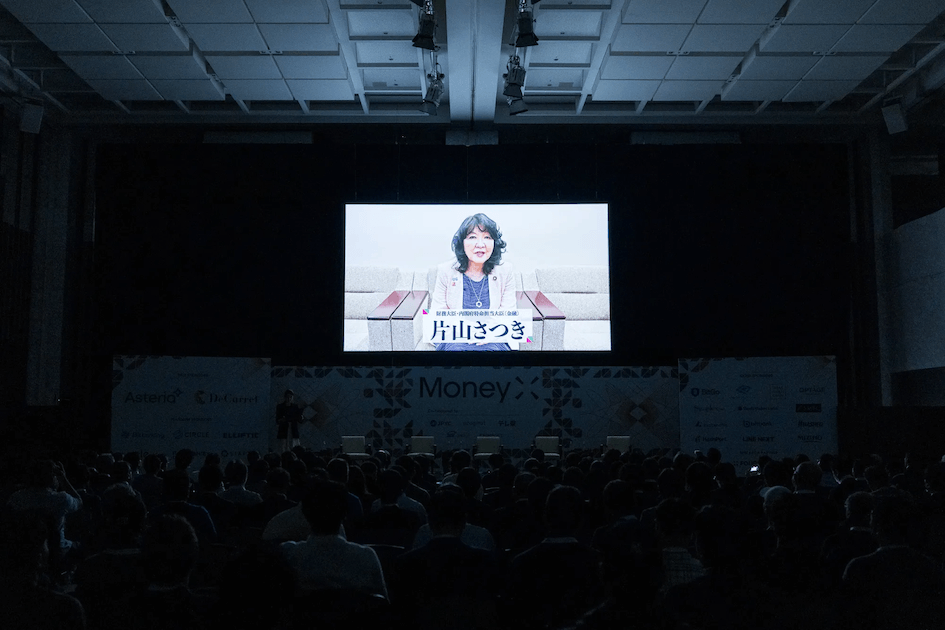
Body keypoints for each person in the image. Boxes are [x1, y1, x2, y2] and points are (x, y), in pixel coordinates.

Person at [431, 213, 517, 351]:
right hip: (456, 335)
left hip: (493, 335)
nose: (480, 244)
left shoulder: (505, 271)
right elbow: (438, 314)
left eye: (487, 237)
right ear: (462, 243)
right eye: (472, 237)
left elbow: (508, 313)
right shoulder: (446, 271)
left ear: (494, 243)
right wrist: (467, 331)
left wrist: (488, 332)